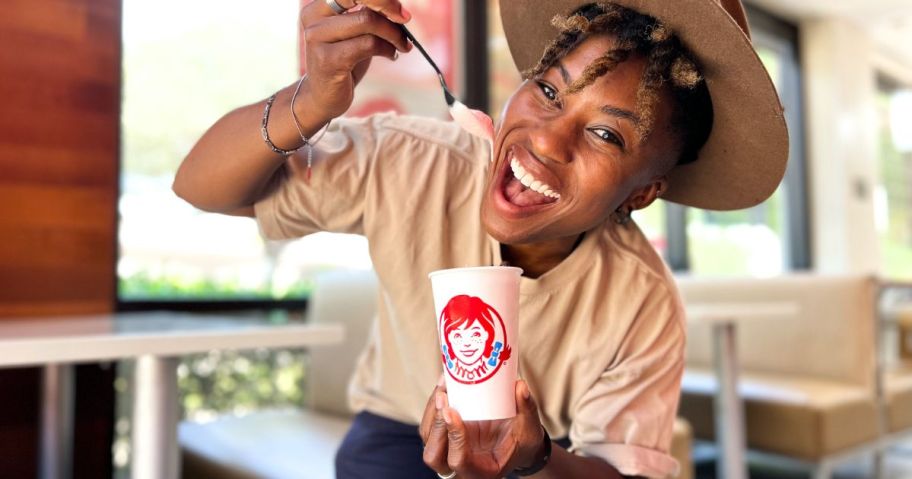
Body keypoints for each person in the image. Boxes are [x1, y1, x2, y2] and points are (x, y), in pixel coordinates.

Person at [173, 0, 788, 477]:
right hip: (391, 442)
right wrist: (313, 97)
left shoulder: (641, 303)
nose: (547, 140)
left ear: (642, 193)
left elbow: (616, 472)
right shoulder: (416, 163)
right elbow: (203, 187)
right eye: (548, 91)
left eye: (606, 135)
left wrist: (533, 459)